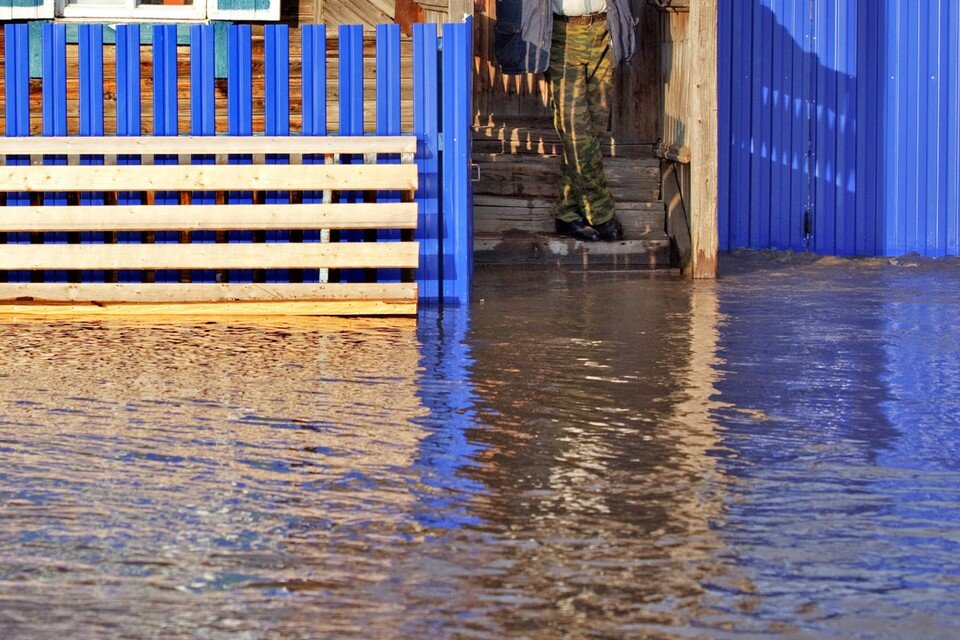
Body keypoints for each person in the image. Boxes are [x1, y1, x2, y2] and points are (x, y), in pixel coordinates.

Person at [495, 0, 637, 242]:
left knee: (594, 128)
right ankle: (600, 210)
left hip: (605, 30)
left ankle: (568, 213)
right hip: (562, 33)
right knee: (576, 128)